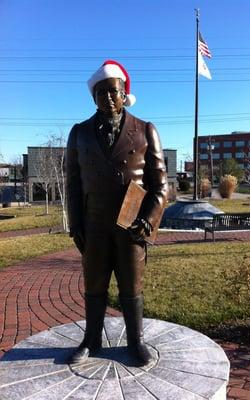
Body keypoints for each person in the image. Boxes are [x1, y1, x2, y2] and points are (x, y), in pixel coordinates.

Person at [66, 60, 168, 366]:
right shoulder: (79, 133)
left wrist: (148, 221)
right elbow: (72, 184)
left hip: (132, 225)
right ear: (93, 97)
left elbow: (161, 185)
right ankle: (91, 340)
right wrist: (75, 226)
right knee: (94, 285)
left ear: (124, 94)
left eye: (113, 91)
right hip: (94, 224)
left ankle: (135, 343)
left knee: (131, 286)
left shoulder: (145, 130)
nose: (108, 98)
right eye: (101, 93)